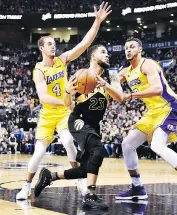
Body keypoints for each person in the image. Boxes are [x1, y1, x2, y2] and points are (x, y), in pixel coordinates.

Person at [16, 2, 111, 200]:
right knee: (38, 154)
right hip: (48, 114)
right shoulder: (39, 70)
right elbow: (43, 97)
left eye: (54, 44)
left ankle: (80, 182)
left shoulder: (62, 60)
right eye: (49, 44)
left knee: (69, 141)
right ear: (41, 48)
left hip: (64, 114)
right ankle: (26, 186)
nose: (54, 46)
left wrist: (97, 22)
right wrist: (67, 101)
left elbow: (84, 44)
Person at [115, 37, 177, 202]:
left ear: (140, 50)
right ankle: (137, 187)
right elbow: (115, 87)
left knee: (157, 145)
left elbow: (158, 89)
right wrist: (102, 83)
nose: (128, 50)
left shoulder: (148, 64)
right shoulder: (125, 72)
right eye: (126, 48)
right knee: (127, 144)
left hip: (169, 107)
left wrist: (130, 95)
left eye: (132, 47)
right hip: (152, 112)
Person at [34, 44, 123, 210]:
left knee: (85, 169)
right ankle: (90, 195)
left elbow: (121, 98)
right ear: (93, 56)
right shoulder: (80, 75)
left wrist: (104, 84)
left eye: (107, 52)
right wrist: (67, 92)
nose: (107, 55)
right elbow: (68, 105)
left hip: (94, 125)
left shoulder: (112, 76)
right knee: (99, 151)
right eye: (103, 52)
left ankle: (50, 176)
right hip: (78, 121)